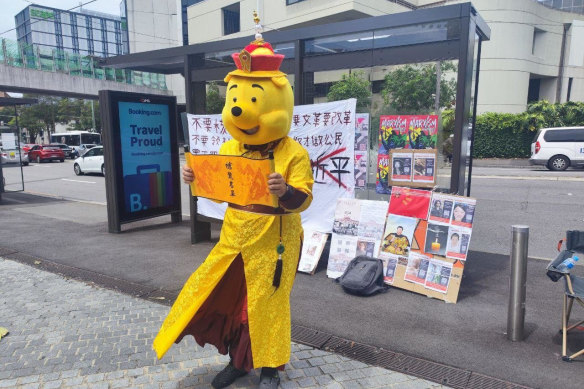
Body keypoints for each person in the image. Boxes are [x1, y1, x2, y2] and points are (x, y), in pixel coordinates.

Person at [152, 20, 314, 389]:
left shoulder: (293, 153)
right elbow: (224, 191)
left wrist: (284, 190)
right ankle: (240, 361)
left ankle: (270, 367)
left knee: (267, 303)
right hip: (235, 237)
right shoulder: (230, 148)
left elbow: (303, 198)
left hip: (275, 240)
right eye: (236, 100)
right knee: (229, 297)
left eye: (252, 100)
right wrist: (198, 181)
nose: (240, 110)